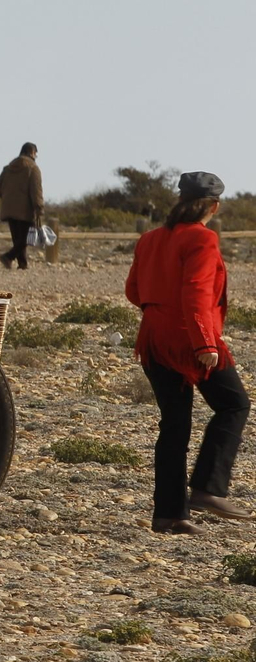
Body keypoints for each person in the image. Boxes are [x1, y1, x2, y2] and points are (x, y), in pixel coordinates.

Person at [125, 172, 250, 535]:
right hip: (189, 337)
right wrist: (205, 344)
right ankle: (208, 489)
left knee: (175, 425)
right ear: (214, 206)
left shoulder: (149, 239)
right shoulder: (202, 238)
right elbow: (195, 291)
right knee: (234, 404)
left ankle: (169, 515)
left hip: (152, 337)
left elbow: (133, 291)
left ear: (179, 201)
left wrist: (157, 311)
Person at [0, 143, 43, 270]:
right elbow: (36, 190)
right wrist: (39, 207)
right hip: (25, 210)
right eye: (35, 153)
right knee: (27, 238)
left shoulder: (8, 168)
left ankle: (23, 264)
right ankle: (8, 257)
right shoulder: (33, 169)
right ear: (32, 152)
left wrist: (6, 198)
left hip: (8, 208)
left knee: (18, 238)